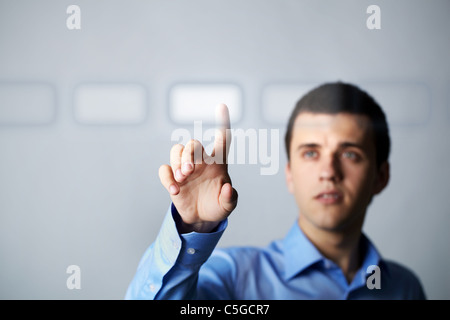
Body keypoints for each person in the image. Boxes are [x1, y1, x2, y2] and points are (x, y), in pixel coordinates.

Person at [125, 82, 426, 299]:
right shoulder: (233, 277)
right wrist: (194, 227)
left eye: (350, 154)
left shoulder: (404, 288)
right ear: (290, 174)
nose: (328, 172)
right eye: (310, 153)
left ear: (381, 176)